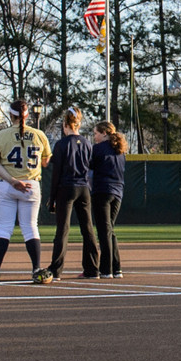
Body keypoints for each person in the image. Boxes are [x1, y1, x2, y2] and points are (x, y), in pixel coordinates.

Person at [0, 99, 51, 283]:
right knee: (30, 228)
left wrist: (13, 180)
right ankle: (36, 268)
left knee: (4, 228)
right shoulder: (39, 134)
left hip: (6, 184)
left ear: (11, 115)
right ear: (27, 115)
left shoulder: (0, 135)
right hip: (31, 185)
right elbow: (45, 162)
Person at [46, 108, 98, 279]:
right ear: (79, 124)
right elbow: (91, 169)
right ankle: (92, 269)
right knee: (88, 229)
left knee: (62, 230)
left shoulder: (61, 144)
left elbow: (56, 174)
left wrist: (52, 198)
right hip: (83, 188)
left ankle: (56, 269)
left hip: (66, 188)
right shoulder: (87, 143)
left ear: (65, 124)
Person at [90, 121, 127, 280]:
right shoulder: (120, 150)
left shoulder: (97, 149)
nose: (94, 136)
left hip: (102, 191)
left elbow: (88, 169)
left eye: (96, 133)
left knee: (104, 231)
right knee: (109, 229)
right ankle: (116, 267)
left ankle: (106, 269)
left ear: (104, 133)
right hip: (118, 193)